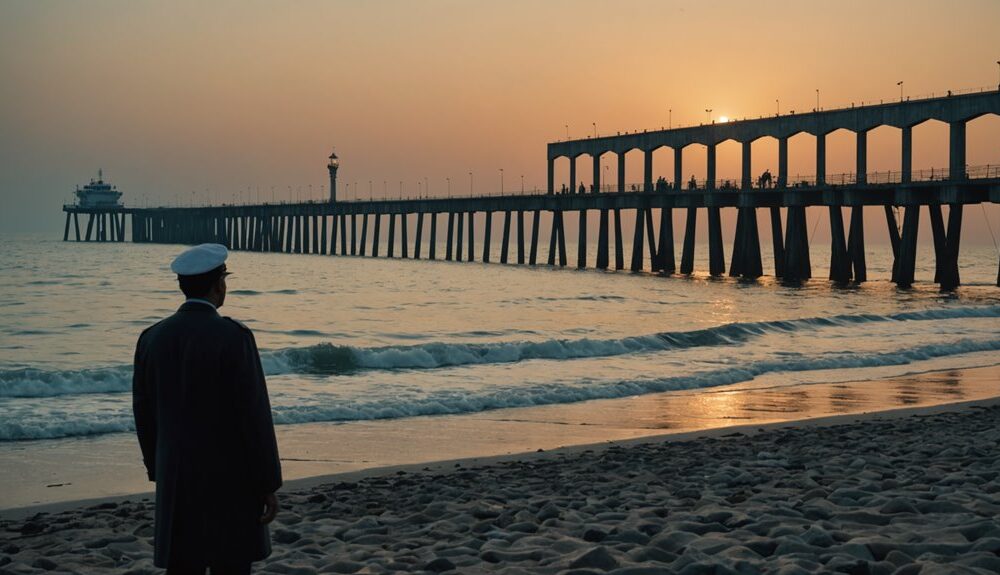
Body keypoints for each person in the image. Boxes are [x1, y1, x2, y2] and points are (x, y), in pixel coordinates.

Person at [133, 243, 282, 574]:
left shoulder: (151, 338)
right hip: (230, 477)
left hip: (175, 474)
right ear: (219, 284)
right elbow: (254, 415)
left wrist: (157, 467)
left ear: (182, 286)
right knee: (231, 562)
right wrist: (268, 481)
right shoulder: (234, 337)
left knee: (182, 564)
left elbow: (143, 413)